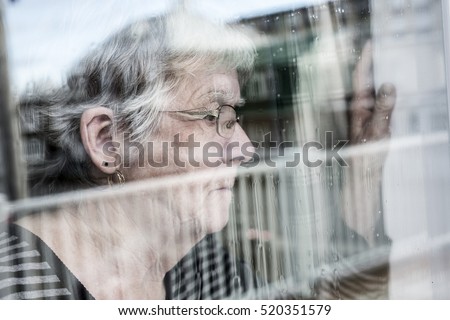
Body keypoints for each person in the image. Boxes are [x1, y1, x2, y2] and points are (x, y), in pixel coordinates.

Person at [0, 8, 395, 300]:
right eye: (212, 116)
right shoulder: (17, 286)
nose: (244, 147)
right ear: (109, 141)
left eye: (234, 116)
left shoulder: (199, 267)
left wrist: (363, 172)